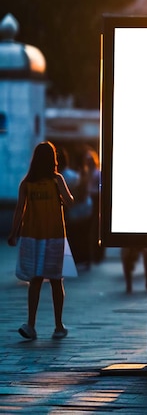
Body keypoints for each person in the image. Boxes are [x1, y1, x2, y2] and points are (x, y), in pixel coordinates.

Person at [7, 141, 74, 341]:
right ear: (52, 160)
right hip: (55, 236)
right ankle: (58, 326)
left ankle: (31, 324)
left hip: (31, 236)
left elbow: (20, 209)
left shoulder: (27, 182)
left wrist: (14, 233)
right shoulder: (57, 180)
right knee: (56, 280)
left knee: (35, 281)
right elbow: (70, 201)